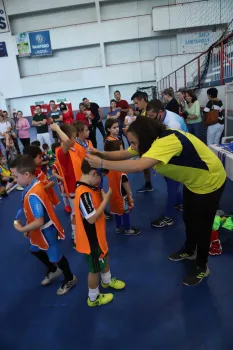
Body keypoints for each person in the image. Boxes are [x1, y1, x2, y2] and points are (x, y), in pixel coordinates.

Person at [86, 117, 226, 287]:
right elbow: (126, 153)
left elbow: (138, 166)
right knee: (188, 218)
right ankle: (189, 250)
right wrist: (101, 153)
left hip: (210, 181)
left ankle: (202, 266)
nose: (133, 146)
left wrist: (101, 163)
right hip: (194, 182)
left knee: (202, 227)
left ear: (144, 137)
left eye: (134, 142)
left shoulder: (167, 142)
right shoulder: (149, 141)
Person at [11, 155, 77, 295]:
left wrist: (22, 228)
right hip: (38, 230)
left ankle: (70, 277)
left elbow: (39, 221)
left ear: (27, 174)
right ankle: (54, 269)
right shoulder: (32, 185)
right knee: (34, 249)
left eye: (16, 176)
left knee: (56, 256)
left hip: (46, 232)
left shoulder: (34, 194)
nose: (14, 180)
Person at [75, 159, 125, 307]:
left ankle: (107, 280)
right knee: (94, 269)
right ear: (92, 173)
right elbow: (91, 218)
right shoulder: (84, 194)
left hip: (99, 235)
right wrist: (107, 200)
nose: (100, 182)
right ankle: (93, 297)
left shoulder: (90, 187)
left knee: (106, 255)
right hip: (91, 242)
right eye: (99, 178)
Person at [146, 99, 188, 227]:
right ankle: (180, 202)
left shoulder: (172, 124)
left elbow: (171, 146)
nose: (150, 119)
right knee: (171, 184)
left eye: (152, 116)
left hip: (180, 154)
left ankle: (168, 217)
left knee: (172, 185)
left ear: (160, 112)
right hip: (175, 150)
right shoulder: (162, 117)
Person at [50, 123, 81, 247]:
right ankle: (75, 236)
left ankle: (78, 232)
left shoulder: (72, 149)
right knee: (75, 214)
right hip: (73, 190)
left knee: (78, 213)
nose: (74, 140)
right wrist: (57, 128)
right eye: (73, 137)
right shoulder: (61, 152)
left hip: (78, 186)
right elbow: (67, 141)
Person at [104, 140, 140, 235]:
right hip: (122, 195)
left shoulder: (109, 166)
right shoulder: (120, 169)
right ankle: (128, 229)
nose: (123, 151)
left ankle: (118, 227)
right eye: (121, 149)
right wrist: (130, 194)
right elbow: (125, 182)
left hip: (113, 194)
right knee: (126, 210)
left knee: (117, 212)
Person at [131, 91, 153, 193]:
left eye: (136, 103)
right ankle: (148, 184)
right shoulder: (143, 112)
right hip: (146, 143)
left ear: (143, 100)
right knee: (145, 165)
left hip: (154, 143)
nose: (135, 105)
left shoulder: (151, 111)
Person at [51, 142, 72, 214]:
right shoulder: (56, 163)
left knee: (70, 193)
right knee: (64, 195)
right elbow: (53, 172)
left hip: (68, 179)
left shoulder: (66, 158)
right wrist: (61, 178)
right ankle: (67, 206)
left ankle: (71, 204)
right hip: (62, 182)